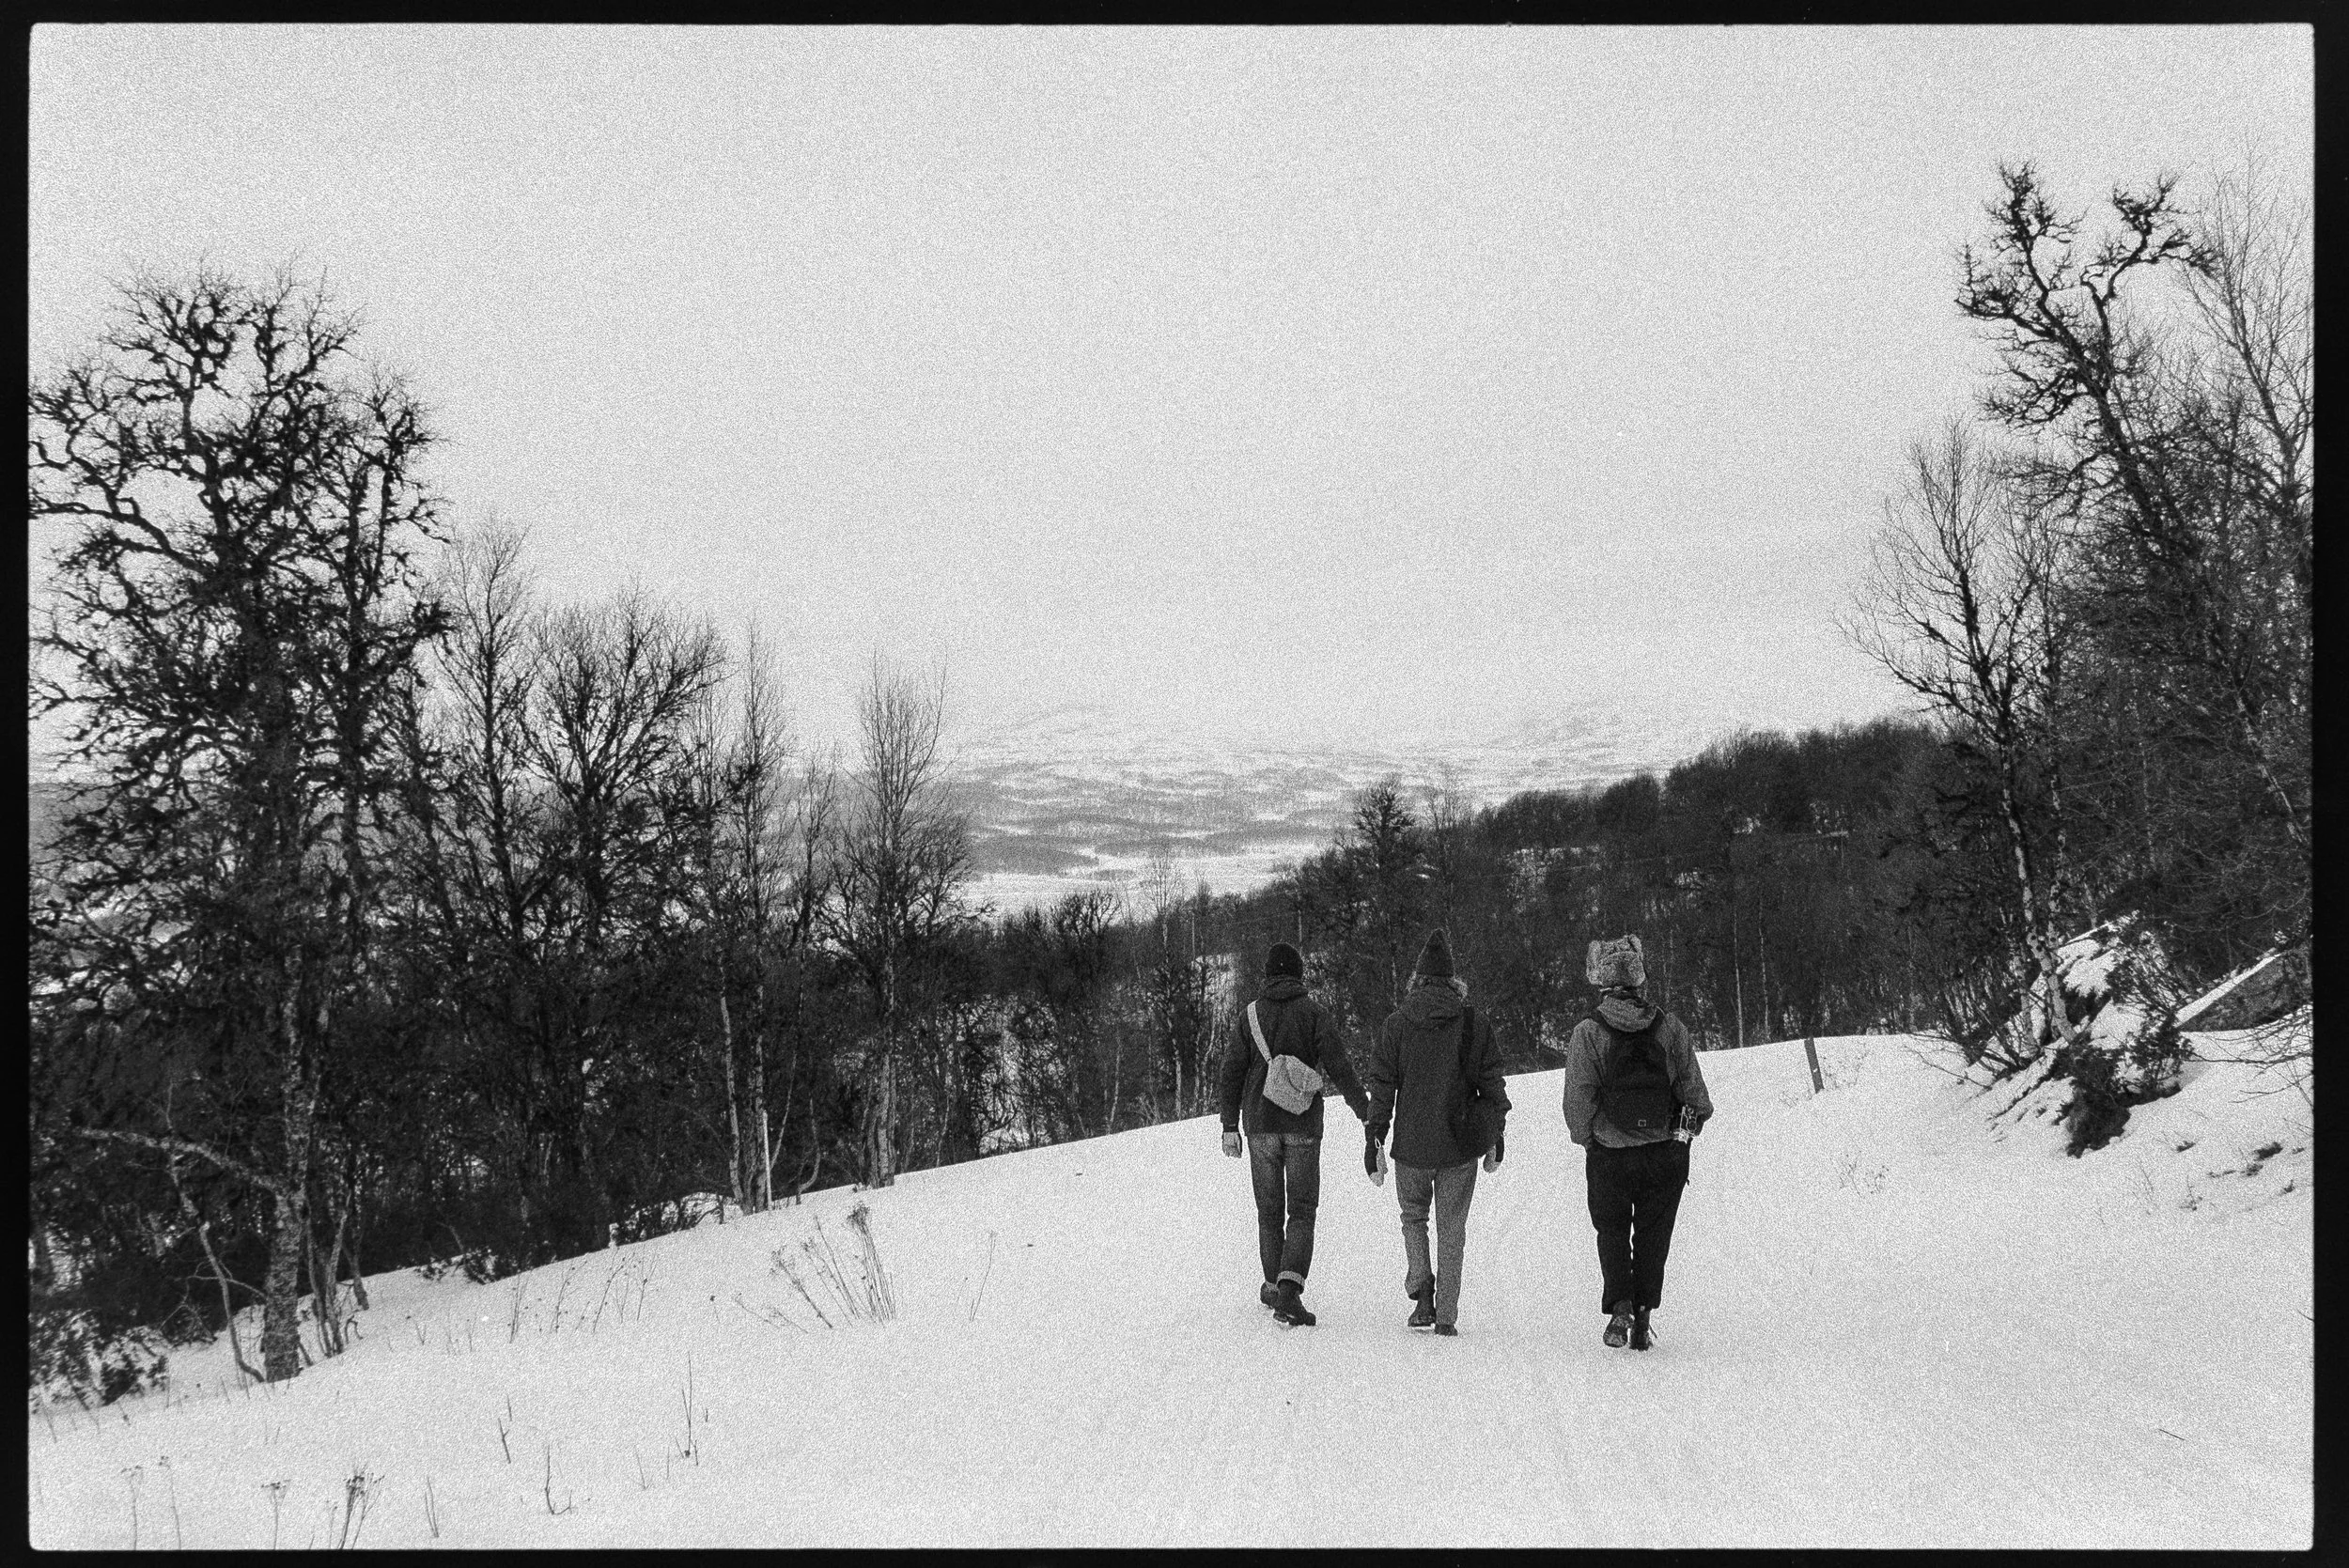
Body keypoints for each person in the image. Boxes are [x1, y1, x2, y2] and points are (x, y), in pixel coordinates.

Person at [1560, 934, 1714, 1351]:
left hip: (1610, 1153)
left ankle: (1621, 1305)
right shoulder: (1671, 1029)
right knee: (1654, 1232)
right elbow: (1696, 1096)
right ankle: (1645, 1310)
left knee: (1611, 1229)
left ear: (1603, 984)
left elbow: (1578, 1098)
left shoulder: (1588, 1032)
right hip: (1664, 1151)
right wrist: (1688, 1131)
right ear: (1642, 981)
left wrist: (1587, 1139)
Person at [1365, 927, 1509, 1337]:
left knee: (1413, 1220)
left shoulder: (1396, 1025)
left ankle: (1422, 1292)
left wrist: (1375, 1137)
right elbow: (1492, 1082)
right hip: (1458, 1147)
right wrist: (1497, 1133)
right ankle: (1446, 1315)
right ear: (1453, 981)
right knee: (1452, 1230)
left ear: (1417, 980)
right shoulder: (1474, 1024)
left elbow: (1382, 1086)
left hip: (1410, 1147)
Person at [1218, 940, 1369, 1327]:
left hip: (1260, 1127)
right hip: (1303, 1125)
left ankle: (1274, 1286)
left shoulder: (1249, 1015)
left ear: (1267, 975)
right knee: (1301, 1210)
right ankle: (1290, 1292)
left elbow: (1231, 1071)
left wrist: (1229, 1125)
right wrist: (1365, 1112)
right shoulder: (1314, 1013)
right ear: (1300, 974)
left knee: (1269, 1211)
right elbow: (1339, 1065)